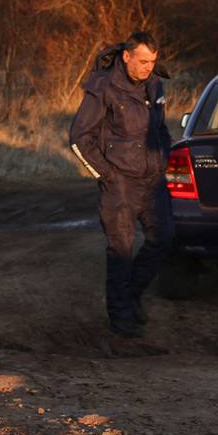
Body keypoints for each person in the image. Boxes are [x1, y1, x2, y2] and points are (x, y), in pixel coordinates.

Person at [69, 31, 172, 337]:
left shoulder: (155, 84)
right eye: (142, 61)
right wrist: (107, 175)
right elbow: (79, 137)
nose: (148, 67)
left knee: (165, 238)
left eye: (152, 61)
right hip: (120, 183)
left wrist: (164, 156)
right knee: (121, 251)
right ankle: (121, 318)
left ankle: (132, 295)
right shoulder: (103, 87)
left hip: (153, 181)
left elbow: (161, 128)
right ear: (126, 56)